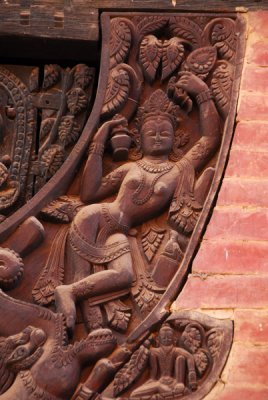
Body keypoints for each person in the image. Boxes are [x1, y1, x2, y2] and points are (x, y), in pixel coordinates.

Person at [55, 72, 220, 333]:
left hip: (120, 231)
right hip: (94, 218)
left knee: (124, 276)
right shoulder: (131, 168)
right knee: (81, 283)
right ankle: (78, 330)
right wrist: (98, 143)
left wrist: (203, 94)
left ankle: (69, 293)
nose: (157, 136)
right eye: (151, 132)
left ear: (175, 139)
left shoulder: (178, 170)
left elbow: (209, 140)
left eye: (164, 132)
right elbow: (89, 193)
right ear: (139, 139)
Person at [131, 324, 197, 398]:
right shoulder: (154, 352)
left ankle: (180, 383)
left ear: (174, 339)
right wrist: (149, 383)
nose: (166, 339)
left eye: (169, 337)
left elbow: (190, 357)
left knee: (180, 358)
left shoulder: (176, 350)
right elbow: (153, 374)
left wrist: (192, 376)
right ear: (158, 339)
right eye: (164, 337)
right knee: (134, 394)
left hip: (175, 383)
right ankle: (164, 389)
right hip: (159, 383)